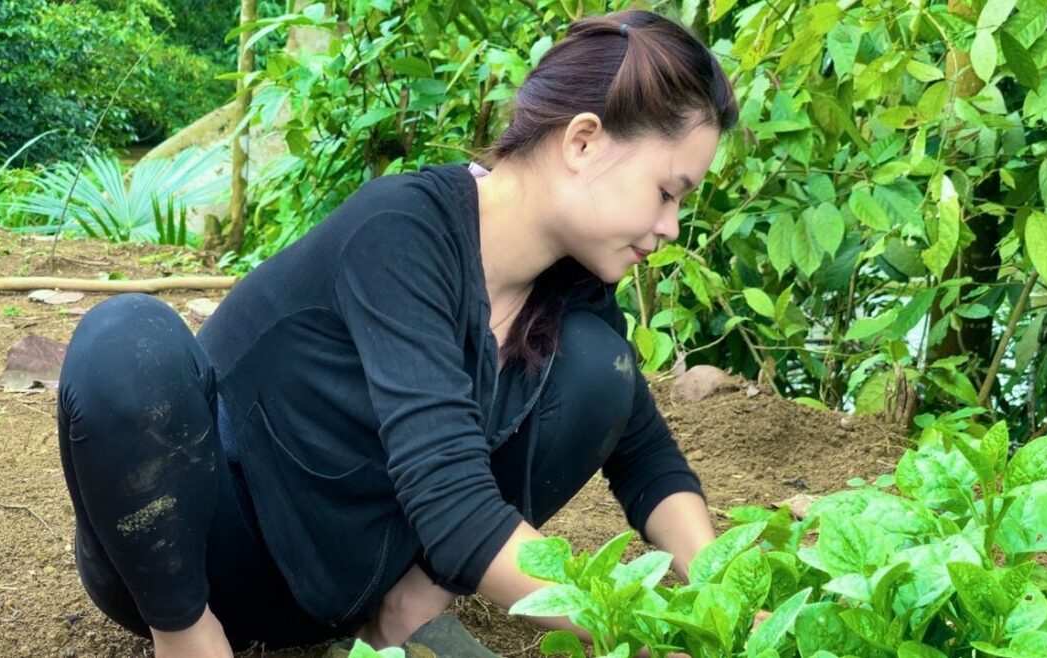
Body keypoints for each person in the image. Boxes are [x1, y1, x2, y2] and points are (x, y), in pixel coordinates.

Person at [56, 8, 738, 656]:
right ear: (583, 141)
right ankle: (186, 638)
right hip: (210, 551)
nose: (671, 227)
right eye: (666, 192)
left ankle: (401, 622)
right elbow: (452, 503)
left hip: (344, 586)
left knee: (602, 370)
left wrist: (725, 605)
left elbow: (645, 457)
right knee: (126, 341)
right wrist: (640, 631)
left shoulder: (574, 288)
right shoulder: (403, 234)